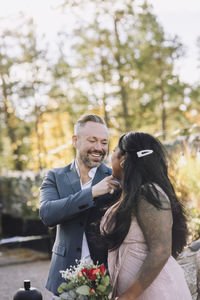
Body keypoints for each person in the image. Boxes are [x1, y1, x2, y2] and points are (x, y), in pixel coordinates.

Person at [101, 131, 192, 300]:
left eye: (114, 150)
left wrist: (129, 296)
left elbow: (160, 250)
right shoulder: (132, 193)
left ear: (124, 158)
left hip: (156, 292)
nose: (110, 155)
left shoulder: (148, 193)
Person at [39, 114, 120, 296]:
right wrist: (91, 193)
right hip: (63, 278)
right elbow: (47, 214)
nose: (99, 148)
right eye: (92, 140)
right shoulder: (55, 176)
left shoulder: (116, 179)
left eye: (104, 142)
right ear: (75, 141)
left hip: (105, 279)